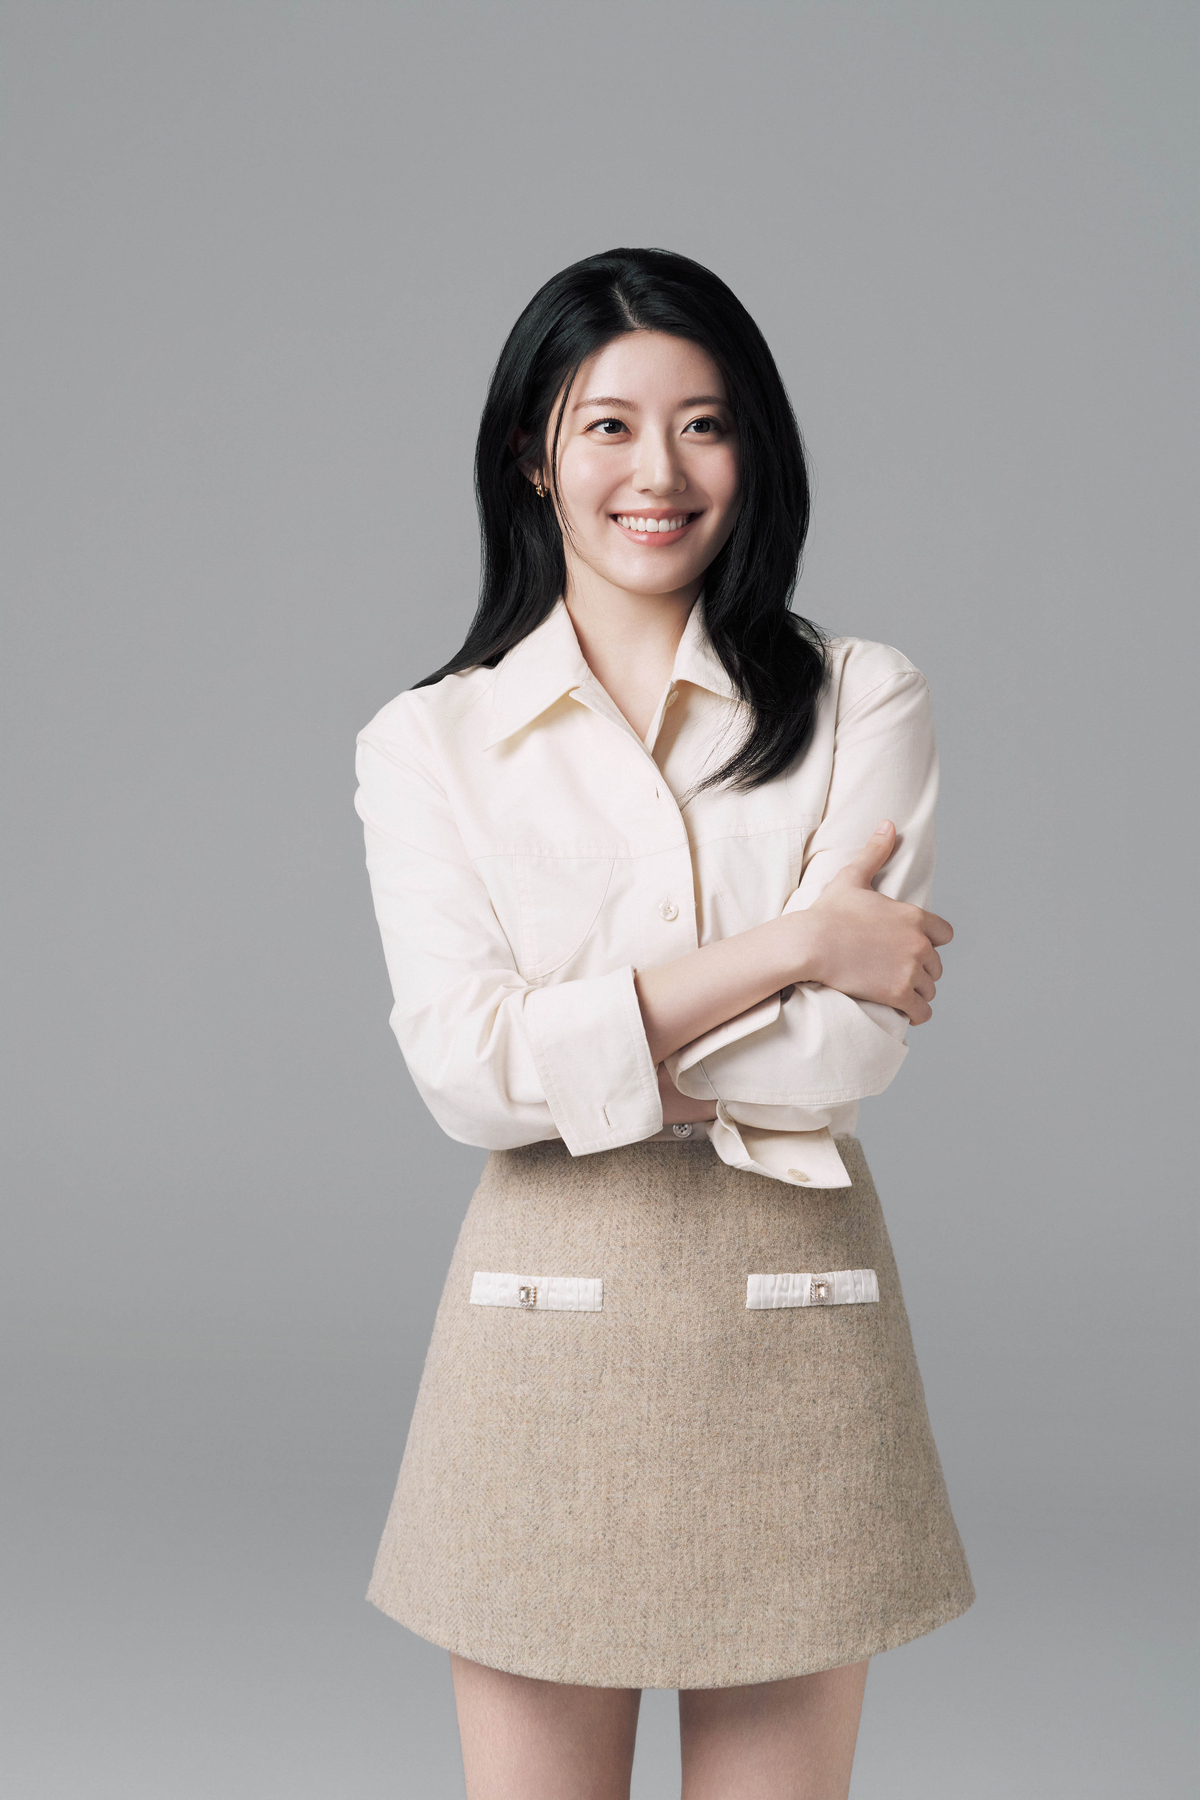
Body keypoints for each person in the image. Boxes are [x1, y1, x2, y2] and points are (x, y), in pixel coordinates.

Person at [354, 247, 974, 1800]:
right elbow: (464, 1076)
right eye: (609, 425)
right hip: (538, 1349)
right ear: (533, 454)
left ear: (754, 449)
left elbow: (846, 1054)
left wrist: (576, 1055)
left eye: (705, 424)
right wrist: (798, 944)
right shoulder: (429, 742)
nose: (660, 471)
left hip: (797, 1340)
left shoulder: (861, 697)